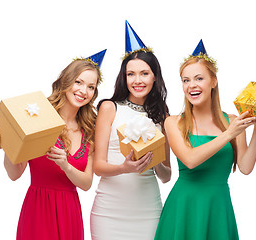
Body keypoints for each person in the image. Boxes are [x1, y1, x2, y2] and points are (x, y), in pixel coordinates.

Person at [154, 40, 256, 240]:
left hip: (218, 207)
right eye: (186, 80)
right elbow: (189, 160)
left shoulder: (232, 121)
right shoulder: (173, 123)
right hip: (184, 208)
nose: (192, 85)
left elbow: (245, 167)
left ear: (213, 81)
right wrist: (228, 134)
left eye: (199, 78)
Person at [0, 49, 106, 240]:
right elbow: (14, 174)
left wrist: (66, 165)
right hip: (38, 210)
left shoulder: (89, 131)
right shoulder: (40, 118)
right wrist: (7, 144)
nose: (84, 91)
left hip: (69, 213)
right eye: (78, 82)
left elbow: (86, 183)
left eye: (91, 87)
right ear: (66, 81)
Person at [90, 21, 171, 240]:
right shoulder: (109, 108)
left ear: (155, 76)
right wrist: (125, 168)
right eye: (130, 74)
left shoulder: (162, 115)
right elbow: (98, 167)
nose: (137, 80)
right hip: (109, 211)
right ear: (124, 78)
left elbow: (167, 175)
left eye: (144, 73)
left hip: (148, 210)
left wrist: (155, 162)